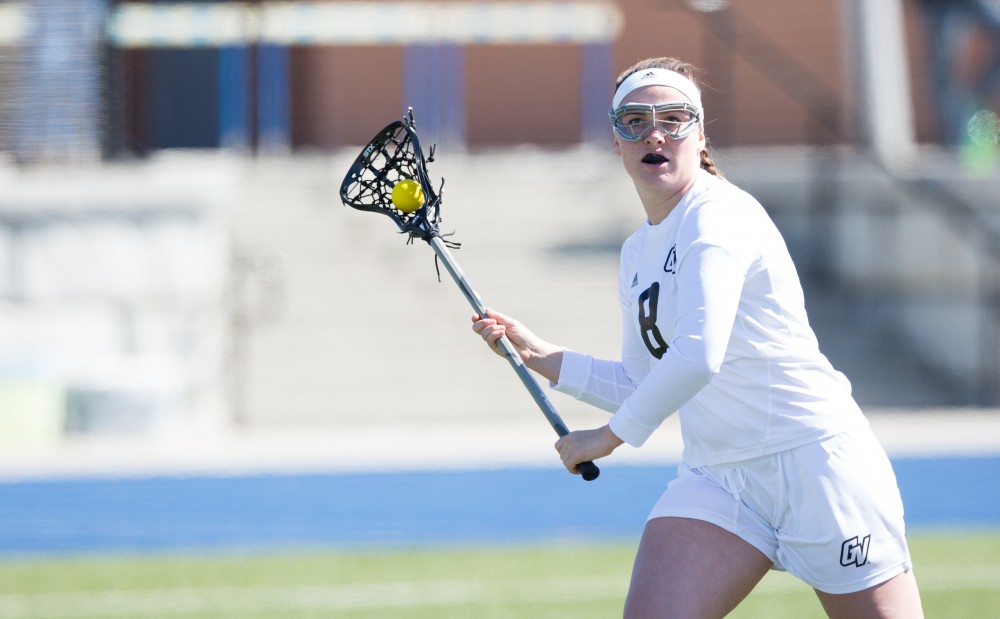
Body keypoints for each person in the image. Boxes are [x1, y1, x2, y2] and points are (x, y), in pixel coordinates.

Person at [471, 57, 924, 618]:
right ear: (616, 142)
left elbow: (699, 356)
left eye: (673, 117)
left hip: (816, 464)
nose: (653, 133)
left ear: (701, 133)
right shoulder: (638, 250)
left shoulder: (718, 216)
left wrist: (608, 439)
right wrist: (538, 355)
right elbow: (644, 380)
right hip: (719, 478)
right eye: (634, 120)